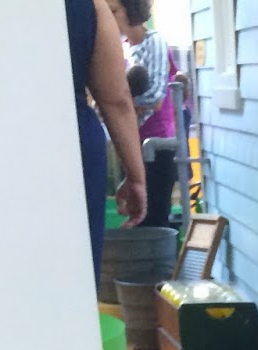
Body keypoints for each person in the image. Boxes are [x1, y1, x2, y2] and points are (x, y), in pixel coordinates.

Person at [63, 0, 146, 284]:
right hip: (71, 141)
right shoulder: (90, 5)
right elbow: (116, 99)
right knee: (76, 275)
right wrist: (136, 177)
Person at [108, 0, 178, 230]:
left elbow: (155, 98)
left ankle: (158, 266)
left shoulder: (154, 42)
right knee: (139, 218)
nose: (109, 17)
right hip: (135, 140)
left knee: (155, 218)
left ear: (132, 9)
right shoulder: (126, 47)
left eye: (114, 11)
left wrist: (124, 107)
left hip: (156, 143)